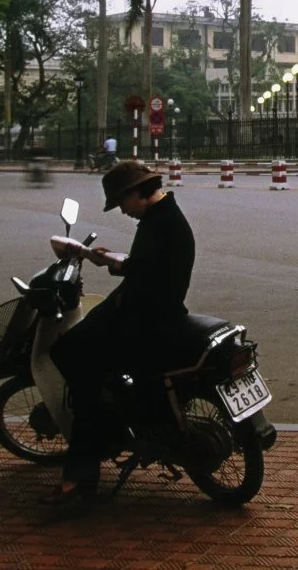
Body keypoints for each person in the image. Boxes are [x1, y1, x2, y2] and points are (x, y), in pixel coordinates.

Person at [45, 160, 196, 504]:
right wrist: (100, 257)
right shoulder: (164, 216)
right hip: (151, 309)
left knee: (70, 357)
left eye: (121, 203)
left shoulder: (159, 223)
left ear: (134, 194)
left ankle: (82, 470)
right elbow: (142, 265)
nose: (123, 212)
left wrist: (108, 266)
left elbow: (140, 272)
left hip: (144, 319)